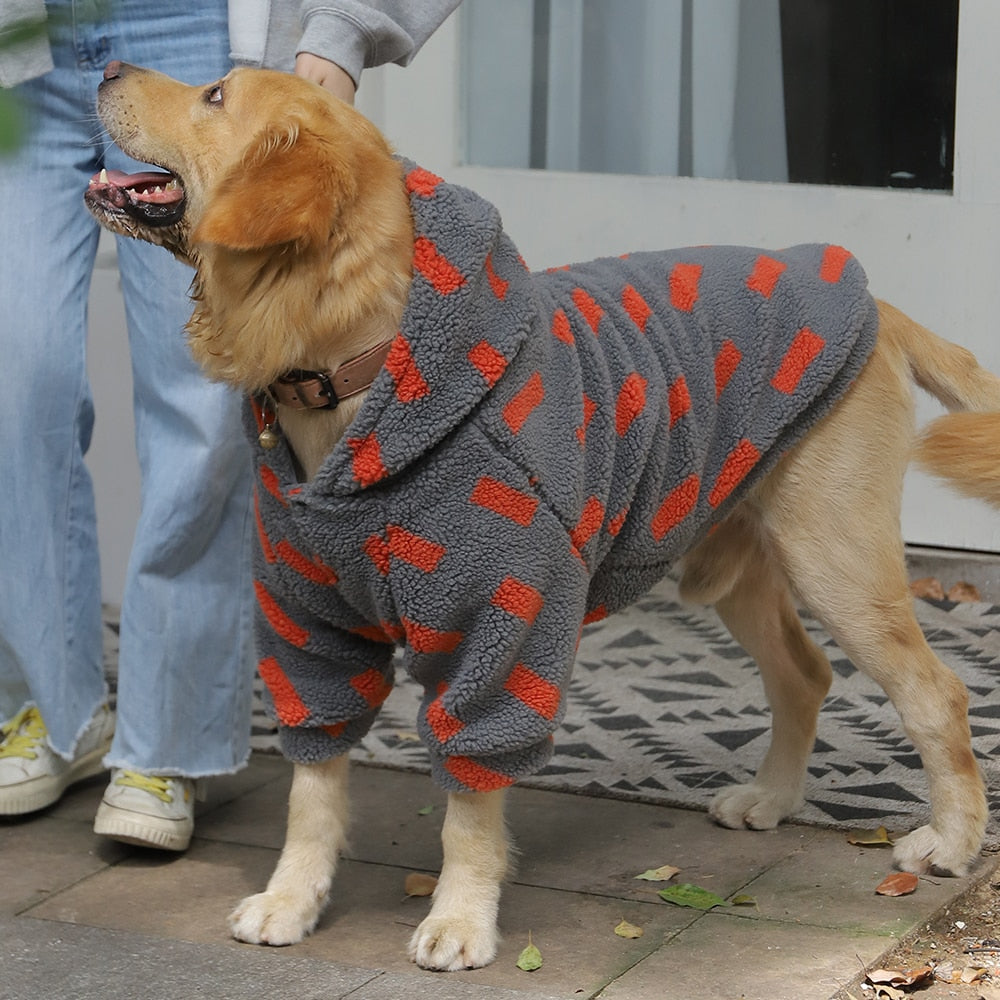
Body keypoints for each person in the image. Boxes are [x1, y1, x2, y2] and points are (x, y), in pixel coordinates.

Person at [0, 0, 459, 851]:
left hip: (194, 27)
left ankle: (166, 743)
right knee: (13, 386)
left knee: (202, 413)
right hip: (20, 45)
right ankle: (47, 705)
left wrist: (347, 27)